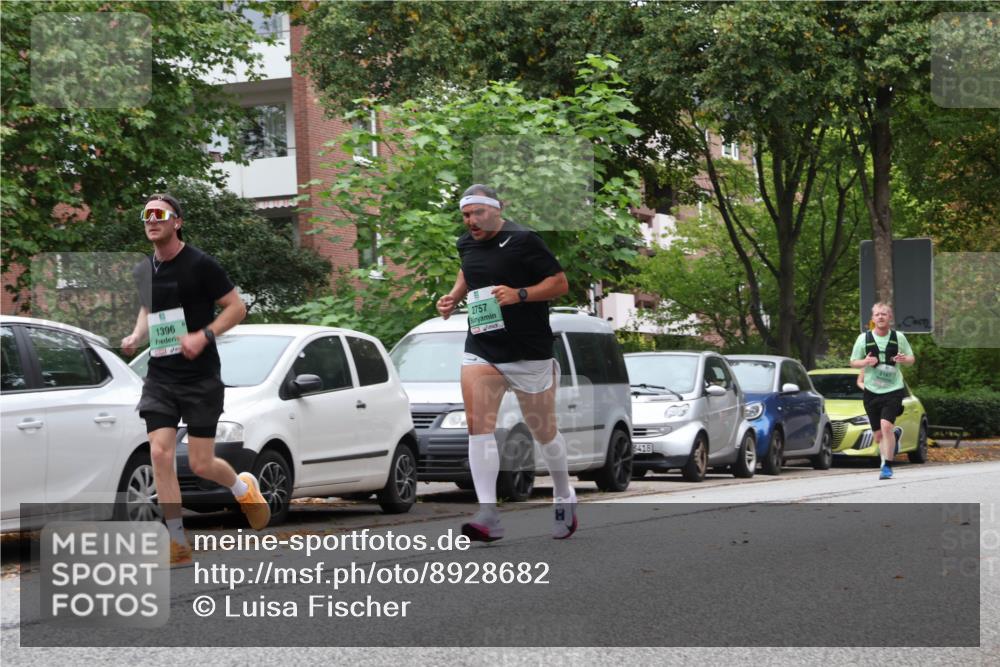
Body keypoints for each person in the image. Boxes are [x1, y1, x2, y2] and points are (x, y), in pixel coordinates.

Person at [121, 193, 269, 567]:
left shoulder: (201, 264)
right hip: (161, 375)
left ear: (177, 222)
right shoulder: (144, 269)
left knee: (202, 464)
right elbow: (146, 307)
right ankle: (176, 540)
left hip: (200, 377)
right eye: (146, 215)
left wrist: (204, 335)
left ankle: (242, 487)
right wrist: (137, 335)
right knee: (159, 453)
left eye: (160, 214)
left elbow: (237, 307)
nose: (151, 220)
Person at [436, 184, 575, 541]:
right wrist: (453, 296)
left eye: (477, 213)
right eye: (466, 215)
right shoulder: (465, 243)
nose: (471, 221)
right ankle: (488, 513)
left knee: (542, 429)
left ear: (496, 210)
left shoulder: (524, 240)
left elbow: (559, 283)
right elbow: (470, 270)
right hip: (483, 345)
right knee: (478, 426)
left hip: (529, 351)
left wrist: (520, 295)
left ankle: (563, 493)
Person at [849, 302, 915, 480]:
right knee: (878, 435)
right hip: (871, 391)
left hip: (893, 389)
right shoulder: (863, 339)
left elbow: (911, 358)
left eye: (884, 314)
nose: (880, 317)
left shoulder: (899, 337)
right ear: (872, 318)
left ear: (889, 318)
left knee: (886, 426)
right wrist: (865, 362)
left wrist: (904, 359)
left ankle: (887, 466)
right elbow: (853, 362)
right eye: (877, 314)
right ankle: (892, 439)